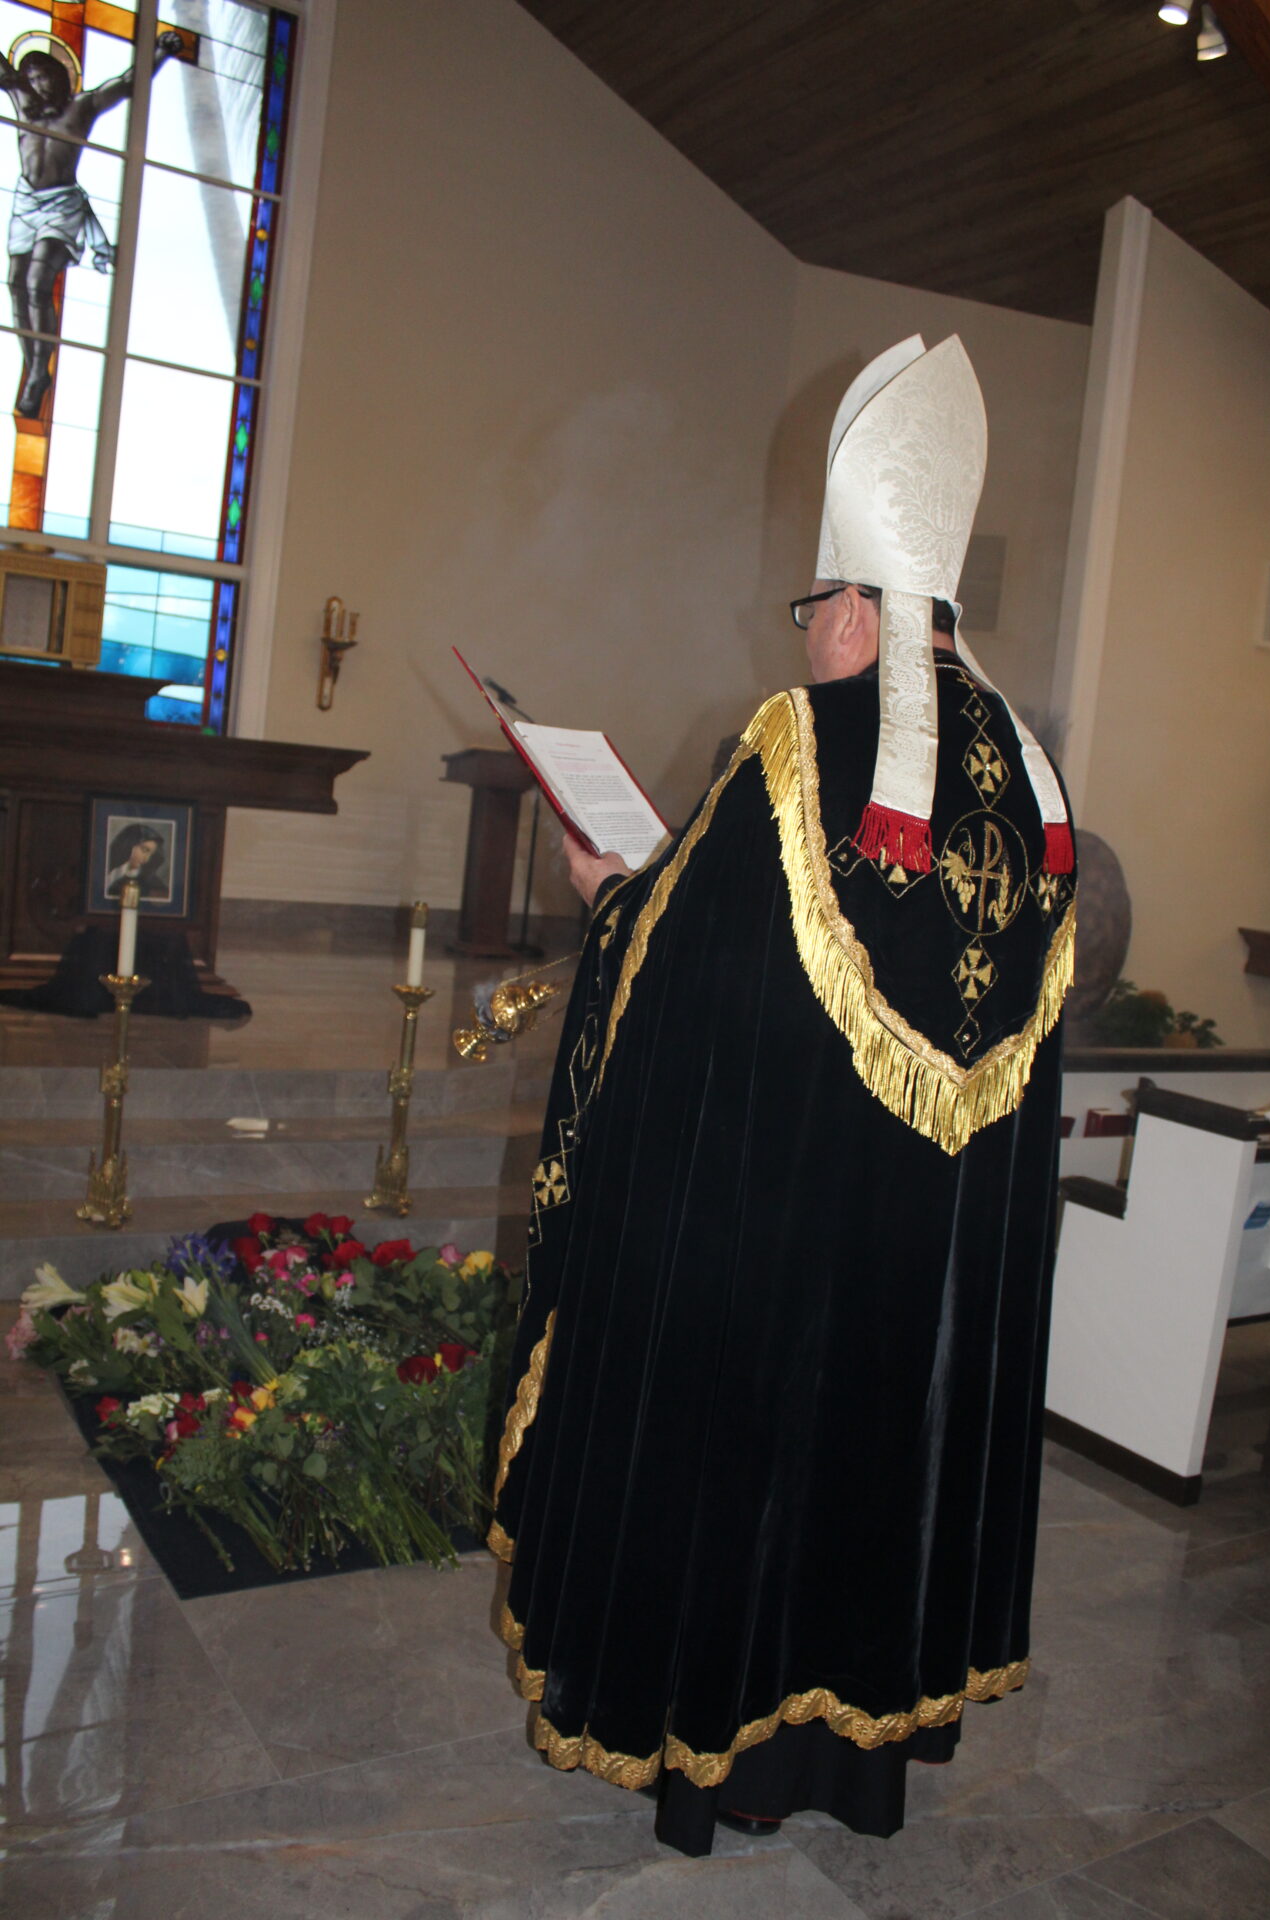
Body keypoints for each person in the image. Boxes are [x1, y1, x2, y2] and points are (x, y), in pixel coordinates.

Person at [488, 335, 1076, 1857]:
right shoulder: (1029, 769)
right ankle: (866, 1748)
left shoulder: (800, 746)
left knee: (762, 1454)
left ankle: (726, 1747)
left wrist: (614, 898)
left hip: (780, 1253)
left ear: (863, 609)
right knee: (883, 1445)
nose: (805, 630)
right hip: (919, 1255)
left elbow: (696, 984)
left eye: (814, 605)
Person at [1, 31, 186, 415]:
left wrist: (160, 53)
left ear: (60, 77)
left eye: (44, 76)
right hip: (25, 203)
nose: (37, 85)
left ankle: (39, 371)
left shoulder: (81, 108)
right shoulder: (22, 104)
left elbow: (124, 85)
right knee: (16, 285)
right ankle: (32, 361)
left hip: (61, 207)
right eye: (30, 78)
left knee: (39, 282)